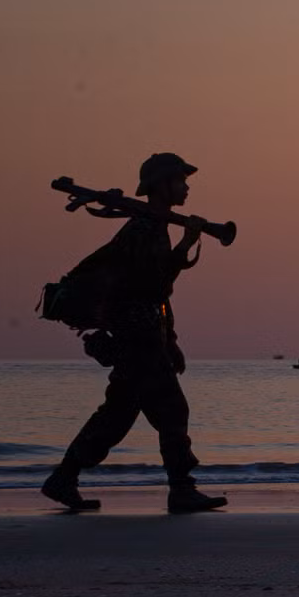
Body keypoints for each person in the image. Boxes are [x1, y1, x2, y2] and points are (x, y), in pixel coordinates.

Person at [42, 153, 227, 514]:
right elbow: (154, 286)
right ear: (163, 185)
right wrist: (186, 245)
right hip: (136, 337)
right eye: (181, 180)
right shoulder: (144, 230)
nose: (187, 186)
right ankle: (182, 489)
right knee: (172, 409)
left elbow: (157, 296)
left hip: (142, 336)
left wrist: (170, 341)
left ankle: (63, 478)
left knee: (116, 416)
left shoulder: (153, 226)